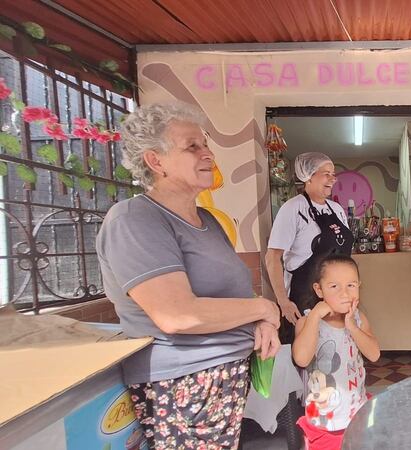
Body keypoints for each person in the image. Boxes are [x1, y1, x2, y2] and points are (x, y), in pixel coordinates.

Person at [96, 102, 281, 449]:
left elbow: (232, 298)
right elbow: (177, 314)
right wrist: (264, 309)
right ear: (156, 161)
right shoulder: (134, 220)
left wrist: (262, 323)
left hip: (225, 375)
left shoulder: (209, 222)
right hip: (183, 383)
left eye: (206, 144)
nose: (207, 153)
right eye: (192, 146)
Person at [291, 254, 380, 450]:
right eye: (334, 286)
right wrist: (315, 316)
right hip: (325, 421)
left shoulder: (358, 319)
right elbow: (302, 359)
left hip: (357, 413)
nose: (344, 293)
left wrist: (352, 327)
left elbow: (374, 354)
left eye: (351, 285)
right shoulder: (307, 322)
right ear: (319, 290)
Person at [266, 152, 354, 343]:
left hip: (335, 299)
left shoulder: (336, 210)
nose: (332, 179)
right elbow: (272, 257)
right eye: (326, 173)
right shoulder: (292, 209)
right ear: (309, 176)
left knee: (334, 353)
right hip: (302, 299)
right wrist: (283, 302)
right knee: (303, 357)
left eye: (333, 174)